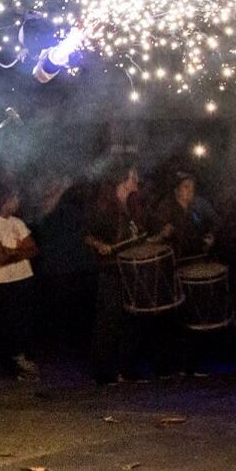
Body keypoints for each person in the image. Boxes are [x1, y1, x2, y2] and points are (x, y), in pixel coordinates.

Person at [84, 163, 152, 383]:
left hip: (129, 271)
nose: (137, 180)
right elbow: (86, 233)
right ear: (123, 179)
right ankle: (103, 372)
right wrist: (100, 245)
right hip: (110, 270)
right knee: (108, 321)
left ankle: (127, 369)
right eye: (133, 176)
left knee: (130, 319)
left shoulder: (132, 206)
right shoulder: (105, 206)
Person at [0, 179, 39, 379]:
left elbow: (34, 249)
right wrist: (20, 249)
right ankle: (11, 363)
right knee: (7, 323)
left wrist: (12, 251)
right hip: (3, 281)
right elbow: (0, 258)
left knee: (23, 320)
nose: (17, 202)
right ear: (7, 200)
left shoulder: (17, 222)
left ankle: (22, 360)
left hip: (23, 277)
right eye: (15, 198)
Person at [159, 171, 218, 261]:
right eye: (186, 187)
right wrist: (164, 233)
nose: (191, 190)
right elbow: (160, 235)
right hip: (178, 260)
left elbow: (215, 221)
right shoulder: (166, 208)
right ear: (176, 190)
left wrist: (212, 235)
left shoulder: (199, 204)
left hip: (200, 256)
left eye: (192, 187)